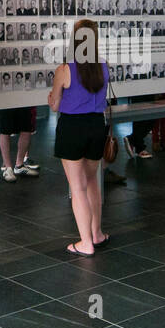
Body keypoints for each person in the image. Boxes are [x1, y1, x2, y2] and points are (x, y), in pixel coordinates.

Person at [49, 19, 109, 256]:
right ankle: (97, 233)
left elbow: (54, 105)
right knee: (92, 181)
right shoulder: (104, 66)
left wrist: (53, 99)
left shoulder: (64, 70)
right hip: (97, 126)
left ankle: (85, 243)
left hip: (72, 128)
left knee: (78, 188)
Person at [0, 106, 39, 181]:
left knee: (26, 129)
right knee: (5, 131)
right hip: (6, 100)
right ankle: (8, 168)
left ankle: (19, 166)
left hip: (24, 99)